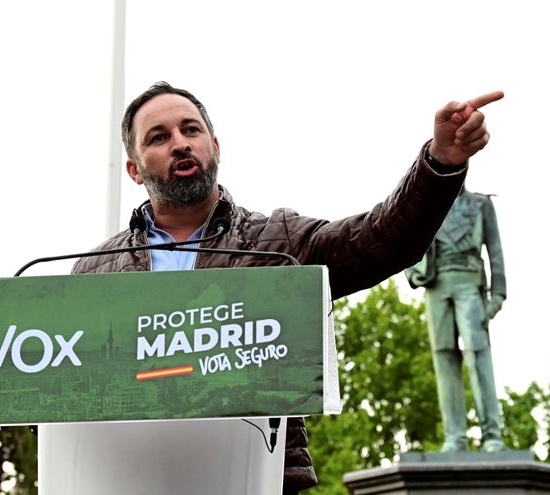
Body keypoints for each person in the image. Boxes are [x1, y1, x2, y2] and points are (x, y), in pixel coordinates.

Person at [70, 82, 503, 493]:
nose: (180, 143)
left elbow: (381, 240)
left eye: (191, 130)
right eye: (158, 137)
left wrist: (440, 164)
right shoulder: (94, 272)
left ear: (214, 146)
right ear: (134, 168)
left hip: (253, 478)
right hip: (130, 481)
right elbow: (55, 396)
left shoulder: (277, 242)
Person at [405, 185, 507, 453]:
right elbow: (406, 238)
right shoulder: (426, 204)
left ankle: (492, 435)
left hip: (469, 284)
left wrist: (497, 294)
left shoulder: (481, 204)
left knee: (478, 355)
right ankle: (455, 437)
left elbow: (495, 251)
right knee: (444, 358)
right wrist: (412, 273)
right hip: (436, 287)